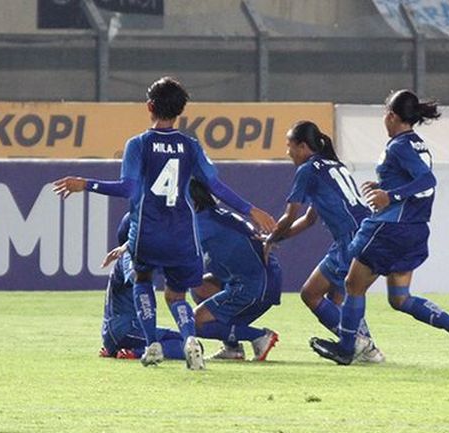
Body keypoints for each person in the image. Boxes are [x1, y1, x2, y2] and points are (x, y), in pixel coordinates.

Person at [53, 77, 276, 370]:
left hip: (148, 232)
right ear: (180, 111)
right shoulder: (190, 146)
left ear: (149, 106)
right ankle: (189, 340)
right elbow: (215, 187)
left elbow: (128, 189)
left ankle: (153, 345)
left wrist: (86, 184)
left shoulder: (138, 145)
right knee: (177, 294)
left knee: (143, 282)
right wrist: (251, 210)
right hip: (182, 234)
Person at [310, 89, 449, 368]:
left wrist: (390, 196)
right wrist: (386, 187)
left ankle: (347, 348)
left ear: (391, 116)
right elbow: (416, 180)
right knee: (400, 298)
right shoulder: (417, 144)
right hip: (414, 229)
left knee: (353, 284)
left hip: (391, 229)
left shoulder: (398, 145)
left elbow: (427, 180)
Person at [263, 120, 384, 363]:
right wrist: (278, 238)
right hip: (366, 231)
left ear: (303, 146)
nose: (287, 152)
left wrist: (270, 239)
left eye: (290, 146)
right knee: (338, 299)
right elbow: (308, 220)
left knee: (310, 294)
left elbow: (290, 216)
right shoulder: (333, 165)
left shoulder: (307, 170)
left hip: (351, 238)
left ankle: (361, 344)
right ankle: (366, 348)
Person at [188, 180, 281, 361]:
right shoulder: (217, 215)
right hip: (264, 279)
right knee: (200, 286)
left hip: (253, 286)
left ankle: (259, 336)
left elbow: (175, 251)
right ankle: (233, 349)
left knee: (195, 323)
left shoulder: (201, 224)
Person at [99, 214, 186, 361]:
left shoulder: (129, 254)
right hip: (127, 329)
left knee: (175, 338)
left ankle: (118, 349)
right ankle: (136, 352)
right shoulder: (130, 255)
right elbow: (135, 277)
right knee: (185, 344)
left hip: (116, 331)